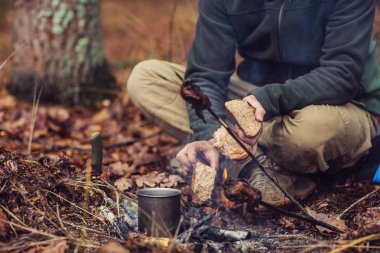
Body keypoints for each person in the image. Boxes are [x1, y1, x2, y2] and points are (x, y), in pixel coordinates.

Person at [127, 0, 380, 207]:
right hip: (254, 103)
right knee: (147, 78)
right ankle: (260, 164)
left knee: (307, 133)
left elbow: (341, 75)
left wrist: (267, 99)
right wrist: (211, 135)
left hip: (337, 105)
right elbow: (205, 75)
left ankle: (258, 159)